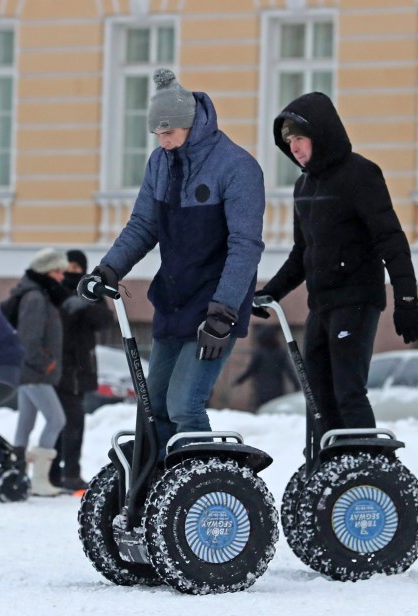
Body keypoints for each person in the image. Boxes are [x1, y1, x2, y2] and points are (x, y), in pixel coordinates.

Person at [78, 68, 265, 457]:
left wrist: (224, 313)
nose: (163, 141)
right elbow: (144, 224)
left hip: (214, 306)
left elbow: (245, 245)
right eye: (158, 134)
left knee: (184, 404)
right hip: (174, 299)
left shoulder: (236, 167)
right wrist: (108, 270)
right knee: (153, 408)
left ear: (190, 124)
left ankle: (202, 489)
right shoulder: (160, 162)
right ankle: (158, 492)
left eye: (170, 132)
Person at [255, 91, 418, 432]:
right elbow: (302, 254)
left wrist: (406, 301)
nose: (296, 149)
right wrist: (269, 292)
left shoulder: (360, 175)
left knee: (348, 391)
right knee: (317, 398)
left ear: (322, 135)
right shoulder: (303, 186)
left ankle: (366, 470)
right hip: (321, 305)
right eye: (290, 143)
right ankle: (324, 471)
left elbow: (390, 240)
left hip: (357, 301)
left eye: (301, 139)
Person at [51, 249, 114, 491]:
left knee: (71, 422)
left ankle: (66, 473)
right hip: (57, 368)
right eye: (69, 267)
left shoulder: (90, 291)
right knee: (62, 422)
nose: (72, 272)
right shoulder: (54, 290)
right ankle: (60, 473)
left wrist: (85, 305)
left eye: (77, 268)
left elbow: (105, 321)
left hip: (79, 368)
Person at [11, 247, 70, 496]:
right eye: (58, 271)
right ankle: (39, 479)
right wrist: (47, 363)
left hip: (30, 371)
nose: (62, 277)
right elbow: (29, 339)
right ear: (47, 271)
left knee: (25, 422)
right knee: (57, 420)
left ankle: (15, 473)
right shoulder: (36, 298)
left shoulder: (39, 295)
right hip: (35, 372)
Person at [233, 326, 300, 410]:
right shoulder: (280, 352)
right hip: (277, 388)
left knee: (263, 410)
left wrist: (239, 380)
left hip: (262, 388)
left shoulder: (260, 352)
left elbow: (251, 370)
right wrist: (296, 384)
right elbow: (289, 370)